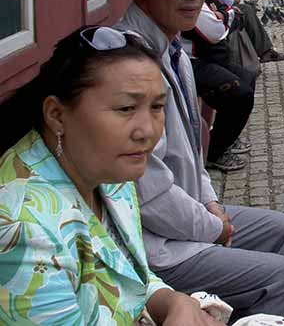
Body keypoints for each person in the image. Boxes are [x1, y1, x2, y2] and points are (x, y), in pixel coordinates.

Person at [115, 0, 284, 322]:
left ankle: (240, 314)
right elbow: (148, 196)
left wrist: (213, 203)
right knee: (281, 279)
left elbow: (192, 155)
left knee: (279, 227)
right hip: (153, 244)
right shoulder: (126, 64)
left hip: (185, 217)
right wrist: (212, 228)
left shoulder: (174, 50)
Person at [0, 26, 226, 325]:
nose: (148, 131)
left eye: (157, 106)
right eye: (125, 108)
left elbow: (131, 278)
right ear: (56, 115)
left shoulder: (105, 167)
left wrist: (175, 302)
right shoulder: (23, 235)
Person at [182, 3, 254, 172]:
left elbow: (223, 13)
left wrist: (222, 14)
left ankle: (226, 137)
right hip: (188, 61)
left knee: (247, 77)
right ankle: (213, 153)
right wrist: (224, 15)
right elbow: (215, 31)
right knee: (240, 95)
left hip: (207, 56)